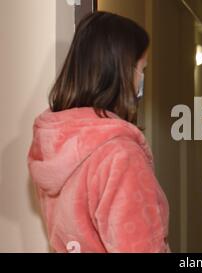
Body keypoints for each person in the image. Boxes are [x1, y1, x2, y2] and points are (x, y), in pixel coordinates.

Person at [28, 12, 169, 253]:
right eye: (141, 68)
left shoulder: (55, 142)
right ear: (121, 72)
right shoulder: (120, 156)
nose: (141, 79)